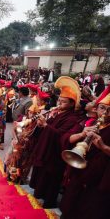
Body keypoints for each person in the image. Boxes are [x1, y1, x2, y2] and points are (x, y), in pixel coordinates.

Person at [29, 76, 81, 208]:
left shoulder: (73, 118)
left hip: (56, 154)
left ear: (71, 104)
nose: (59, 103)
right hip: (47, 150)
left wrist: (46, 125)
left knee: (52, 179)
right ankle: (39, 194)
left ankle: (49, 202)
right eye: (59, 100)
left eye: (63, 102)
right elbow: (51, 127)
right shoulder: (59, 112)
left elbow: (62, 135)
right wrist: (42, 124)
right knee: (42, 176)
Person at [60, 86, 110, 219]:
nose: (106, 113)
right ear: (96, 109)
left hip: (98, 181)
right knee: (69, 206)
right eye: (103, 108)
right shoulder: (90, 123)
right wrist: (83, 134)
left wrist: (103, 147)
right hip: (79, 172)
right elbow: (67, 138)